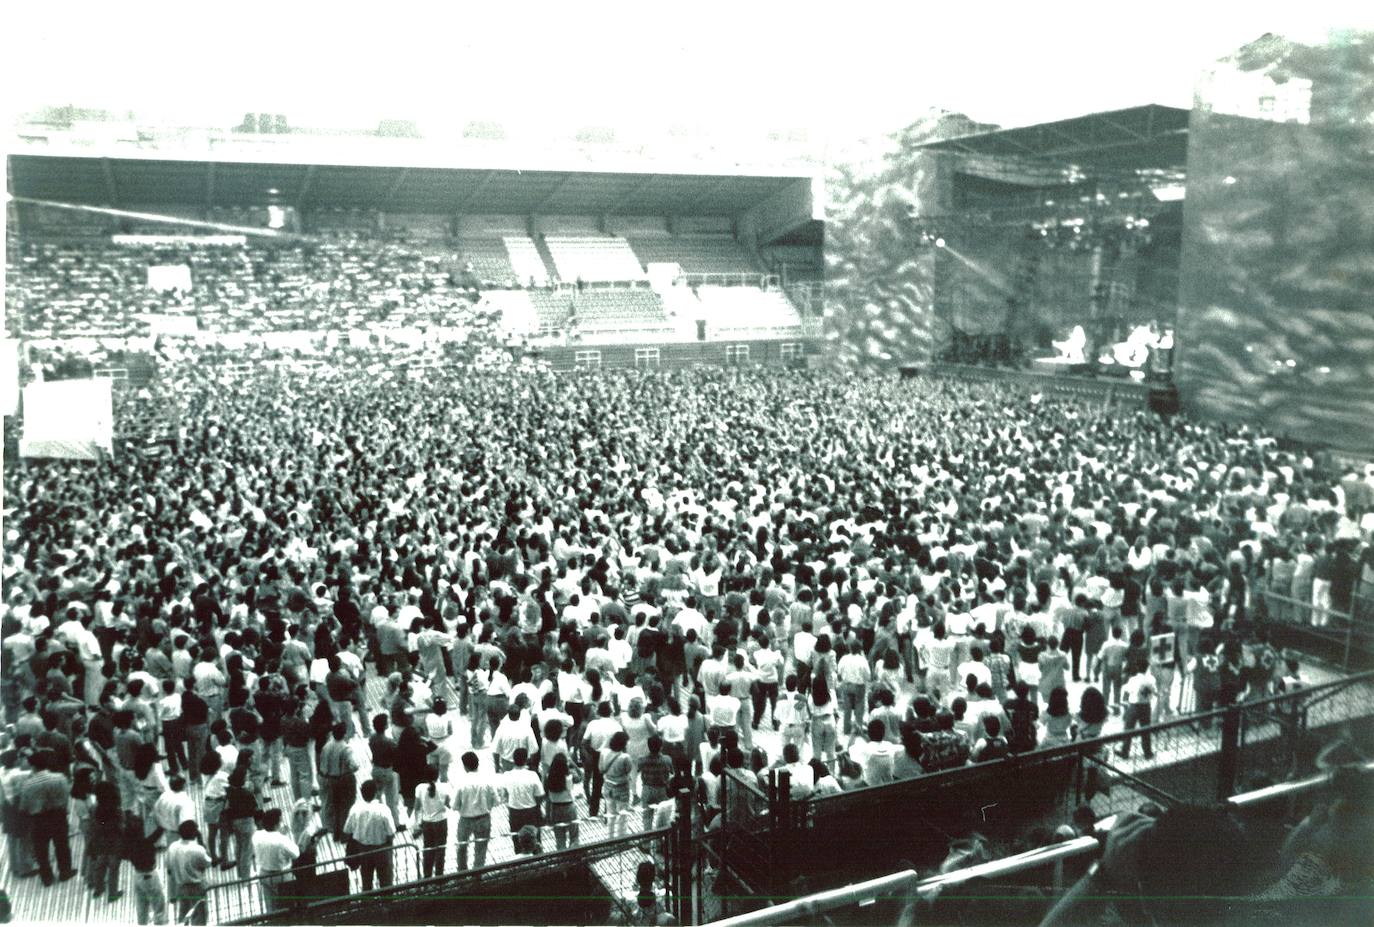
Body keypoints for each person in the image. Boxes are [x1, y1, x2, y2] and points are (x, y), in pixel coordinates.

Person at [21, 750, 76, 887]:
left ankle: (47, 877)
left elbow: (24, 807)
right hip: (58, 815)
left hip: (38, 819)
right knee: (62, 845)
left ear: (32, 765)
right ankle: (65, 872)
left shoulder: (27, 784)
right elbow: (66, 797)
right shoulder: (59, 778)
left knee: (41, 850)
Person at [345, 779, 397, 892]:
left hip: (363, 850)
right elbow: (391, 833)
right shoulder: (383, 809)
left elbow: (347, 830)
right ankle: (388, 904)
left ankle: (367, 905)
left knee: (366, 880)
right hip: (382, 849)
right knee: (386, 881)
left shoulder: (355, 809)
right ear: (376, 792)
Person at [453, 751, 501, 871]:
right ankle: (477, 874)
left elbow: (454, 805)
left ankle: (462, 872)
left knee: (462, 847)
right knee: (481, 848)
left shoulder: (461, 782)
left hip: (465, 819)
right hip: (483, 818)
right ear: (478, 764)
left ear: (465, 766)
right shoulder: (487, 780)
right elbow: (496, 801)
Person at [251, 807, 300, 913]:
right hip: (282, 875)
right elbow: (296, 854)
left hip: (264, 874)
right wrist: (283, 835)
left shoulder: (256, 836)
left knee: (270, 906)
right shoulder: (282, 840)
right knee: (288, 906)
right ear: (277, 823)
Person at [166, 821, 212, 926]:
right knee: (200, 917)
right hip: (197, 887)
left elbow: (169, 869)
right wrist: (201, 841)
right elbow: (208, 862)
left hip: (181, 886)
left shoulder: (172, 847)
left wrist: (171, 892)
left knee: (183, 915)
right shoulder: (197, 849)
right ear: (194, 833)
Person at [318, 722, 359, 842]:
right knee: (345, 806)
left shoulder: (327, 745)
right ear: (344, 734)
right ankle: (344, 834)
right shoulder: (346, 748)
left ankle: (334, 831)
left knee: (333, 805)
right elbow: (354, 766)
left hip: (328, 778)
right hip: (343, 778)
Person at [501, 746, 545, 851]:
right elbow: (540, 795)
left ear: (513, 760)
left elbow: (505, 795)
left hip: (514, 812)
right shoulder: (532, 775)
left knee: (517, 840)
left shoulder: (507, 776)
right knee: (534, 840)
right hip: (531, 812)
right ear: (526, 760)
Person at [413, 766, 452, 879]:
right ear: (438, 775)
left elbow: (417, 807)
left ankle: (427, 876)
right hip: (441, 821)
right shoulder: (444, 787)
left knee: (428, 849)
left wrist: (417, 822)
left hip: (427, 822)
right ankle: (439, 876)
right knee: (440, 849)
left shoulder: (419, 788)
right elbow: (449, 805)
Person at [1118, 665, 1158, 760]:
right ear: (1147, 668)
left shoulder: (1133, 679)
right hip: (1146, 706)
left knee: (1128, 730)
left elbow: (1126, 690)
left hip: (1134, 706)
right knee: (1145, 730)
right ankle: (1147, 753)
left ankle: (1125, 752)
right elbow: (1155, 692)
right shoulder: (1151, 680)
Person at [600, 730, 634, 838]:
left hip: (607, 786)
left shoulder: (604, 752)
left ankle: (610, 837)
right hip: (622, 788)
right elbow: (628, 770)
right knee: (622, 815)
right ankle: (621, 838)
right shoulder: (625, 757)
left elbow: (600, 768)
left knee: (611, 814)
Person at [544, 752, 580, 850]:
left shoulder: (548, 777)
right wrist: (574, 766)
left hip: (555, 808)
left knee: (560, 838)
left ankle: (562, 858)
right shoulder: (569, 777)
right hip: (569, 807)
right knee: (574, 836)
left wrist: (547, 815)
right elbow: (580, 776)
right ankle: (575, 856)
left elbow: (546, 796)